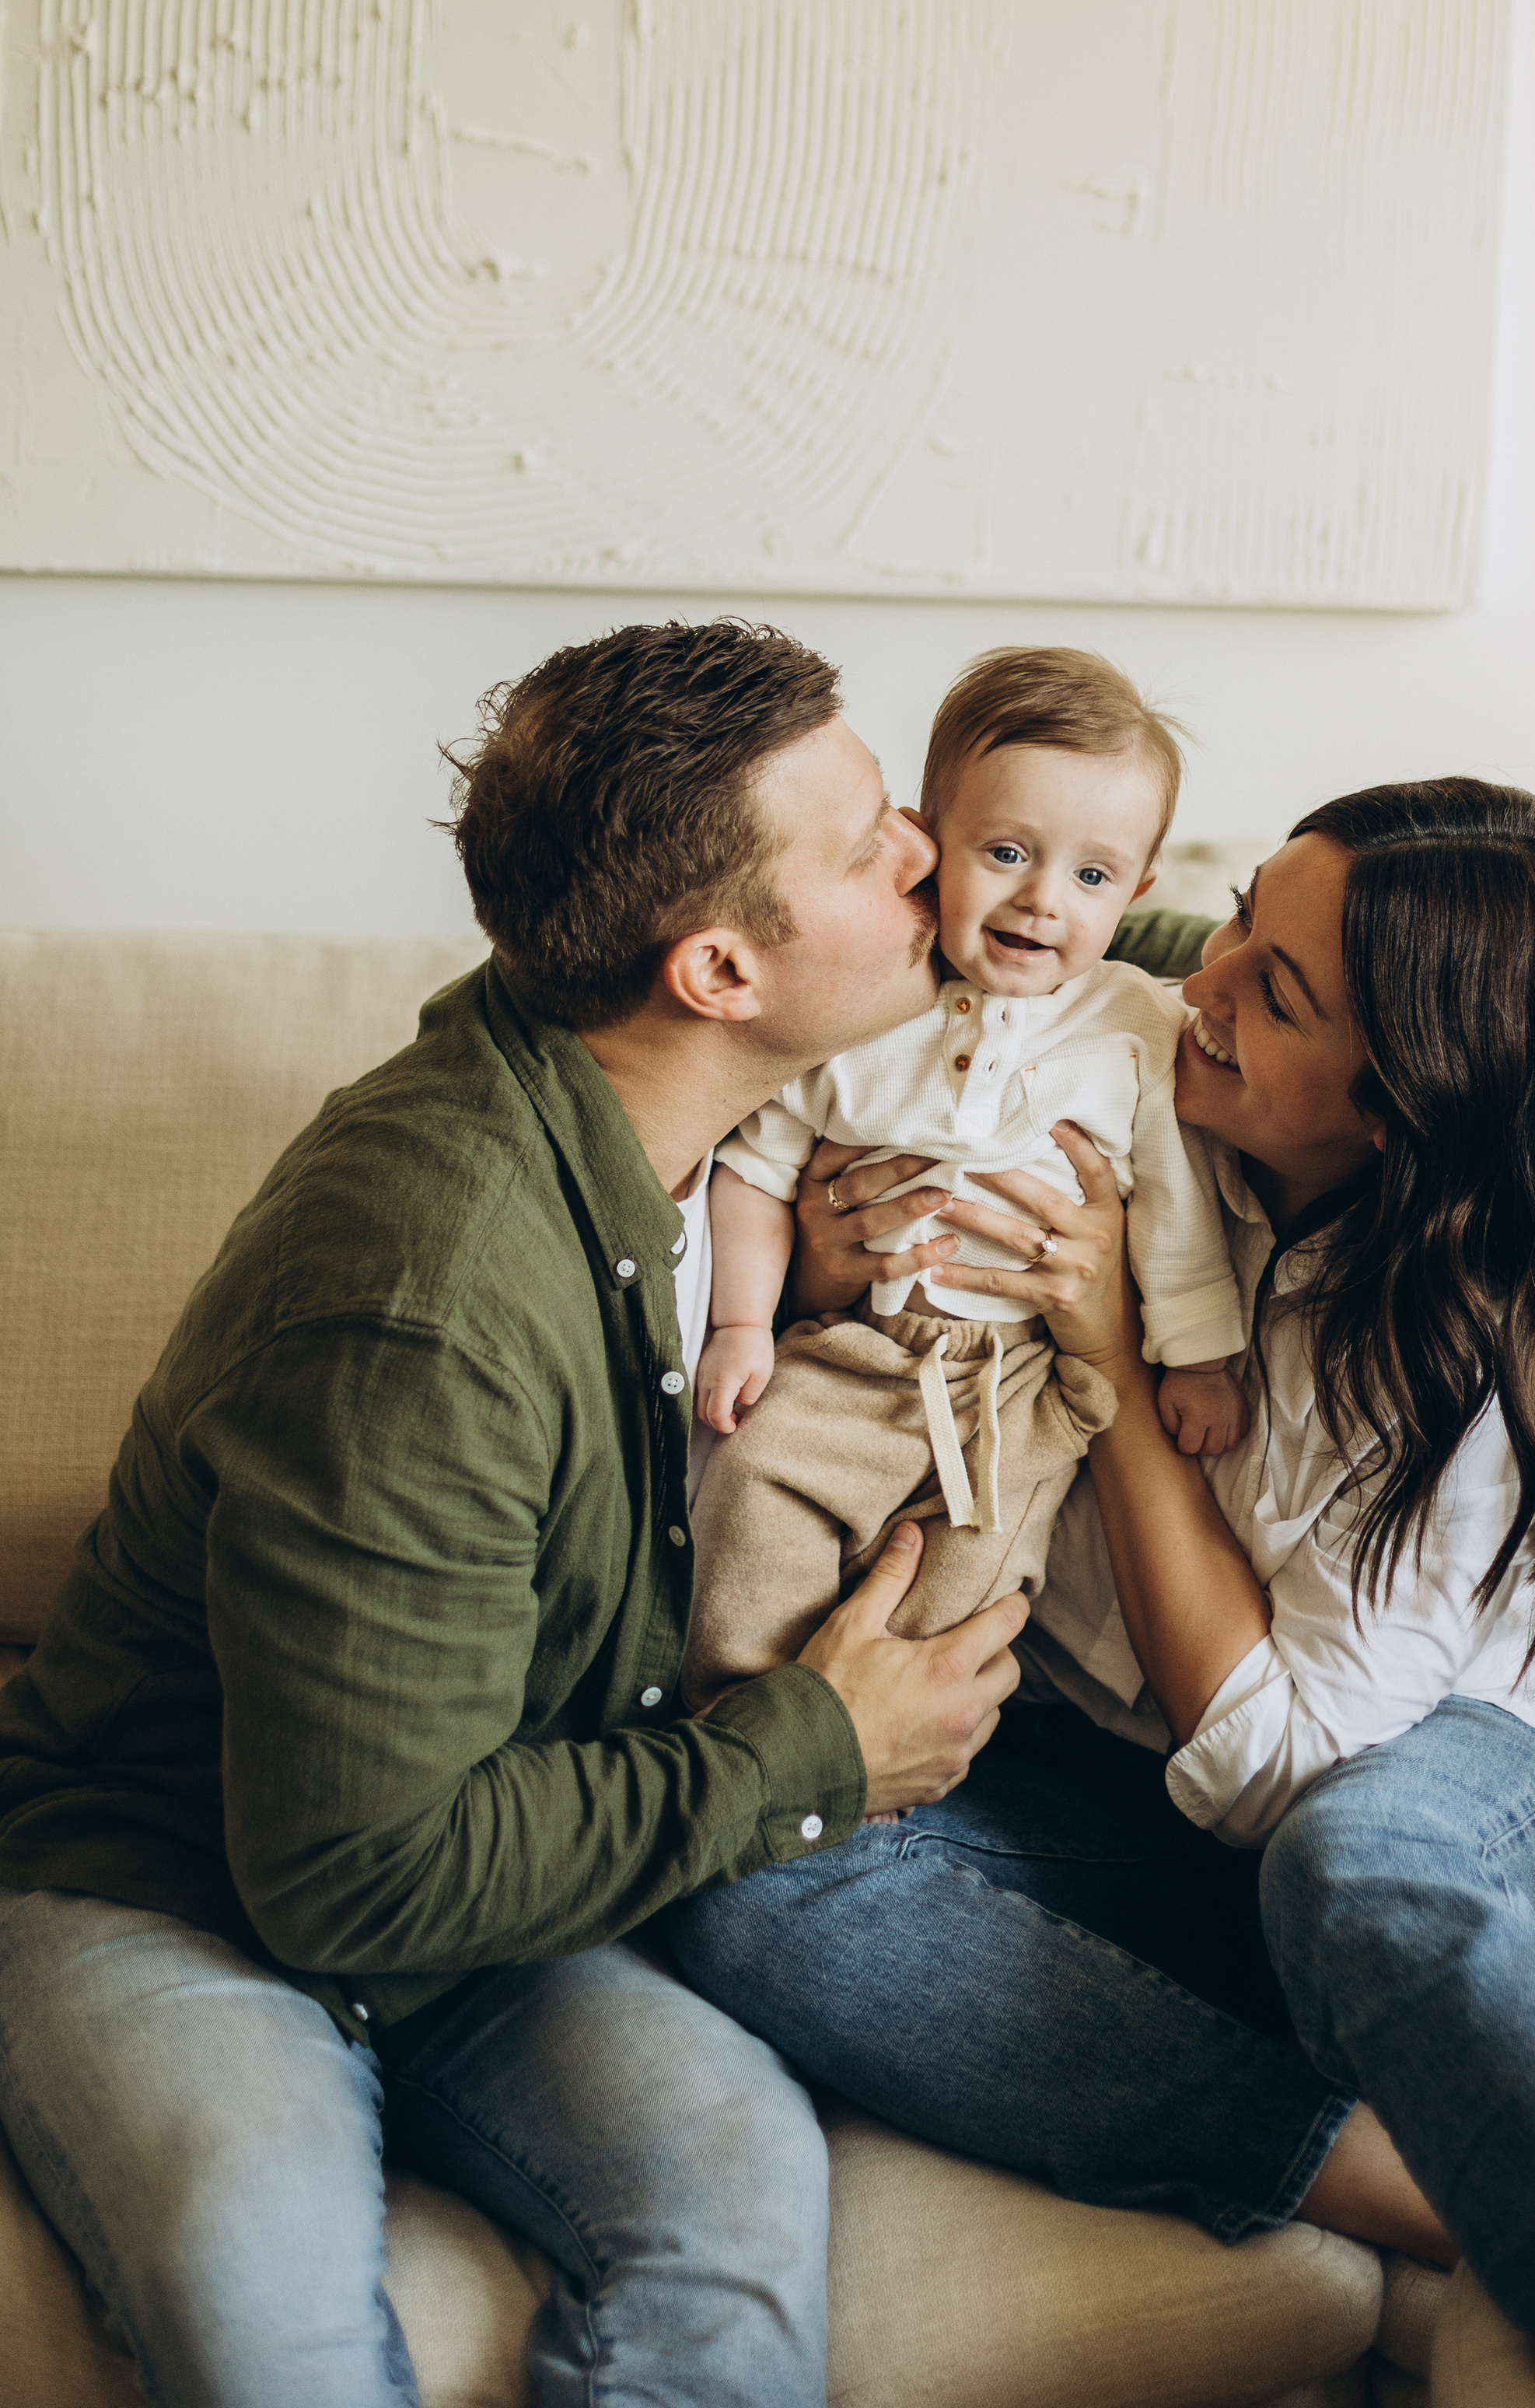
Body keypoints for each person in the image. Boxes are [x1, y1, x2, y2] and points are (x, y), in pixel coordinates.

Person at [668, 782, 1535, 2408]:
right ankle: (1427, 2188)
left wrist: (1113, 1372)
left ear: (1405, 1100)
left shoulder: (1472, 1352)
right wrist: (835, 1258)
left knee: (1352, 1862)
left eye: (1269, 991)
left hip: (1438, 1788)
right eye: (1233, 926)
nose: (1191, 985)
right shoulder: (1139, 1076)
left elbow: (1288, 1771)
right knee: (745, 1867)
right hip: (1127, 1795)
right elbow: (948, 1024)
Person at [0, 619, 1031, 2408]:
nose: (927, 854)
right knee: (275, 2333)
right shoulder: (426, 1298)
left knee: (737, 2190)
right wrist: (812, 1751)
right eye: (870, 841)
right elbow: (350, 1874)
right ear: (714, 967)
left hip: (493, 1869)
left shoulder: (652, 1134)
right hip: (173, 1878)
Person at [683, 646, 1246, 1710]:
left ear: (1136, 889)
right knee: (755, 1497)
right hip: (851, 1355)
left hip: (1020, 1382)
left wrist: (1199, 1355)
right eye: (1005, 851)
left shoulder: (1136, 1024)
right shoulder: (865, 1007)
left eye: (1091, 876)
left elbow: (1170, 1202)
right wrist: (744, 1327)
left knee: (979, 1581)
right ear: (924, 840)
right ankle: (742, 1720)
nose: (1043, 900)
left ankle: (906, 1756)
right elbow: (756, 1167)